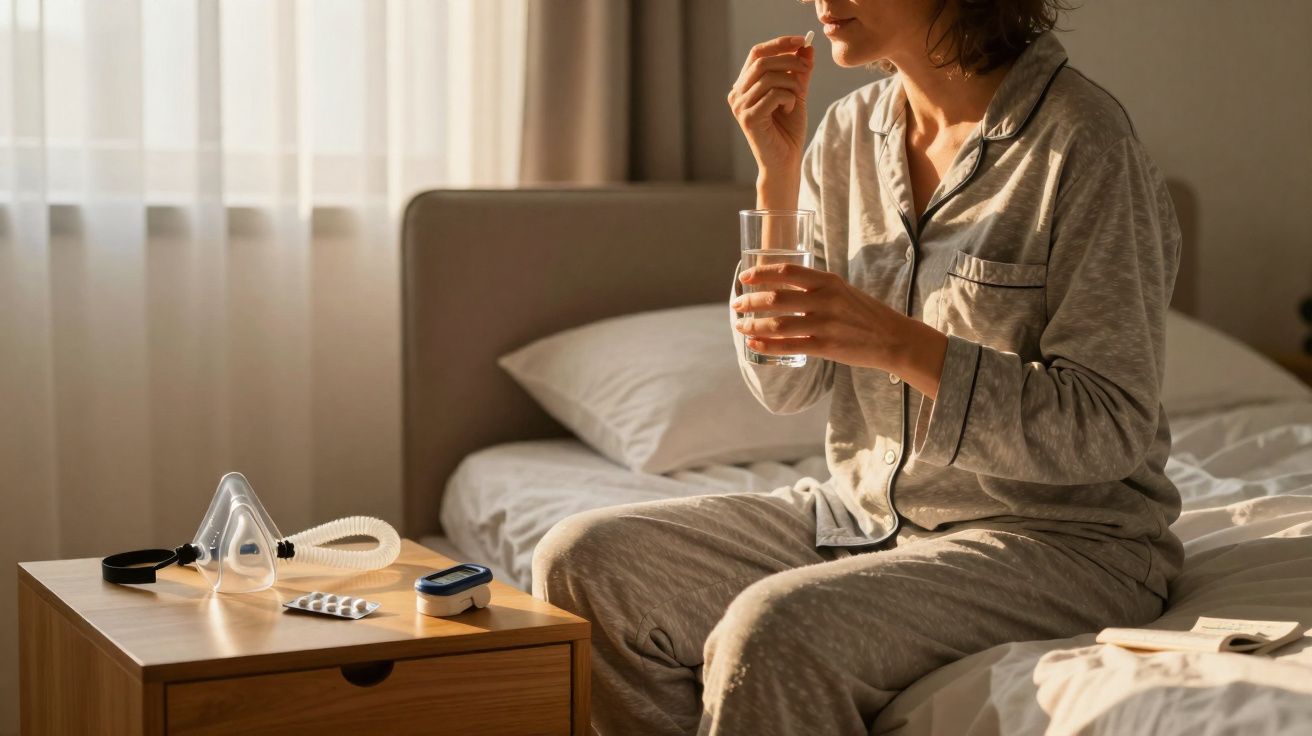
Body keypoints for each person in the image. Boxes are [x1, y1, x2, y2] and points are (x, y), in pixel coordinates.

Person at [533, 0, 1183, 733]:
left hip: (1060, 541)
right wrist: (775, 181)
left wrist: (898, 343)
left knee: (774, 627)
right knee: (586, 561)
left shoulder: (1082, 142)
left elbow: (1110, 428)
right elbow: (785, 386)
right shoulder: (846, 135)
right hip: (866, 514)